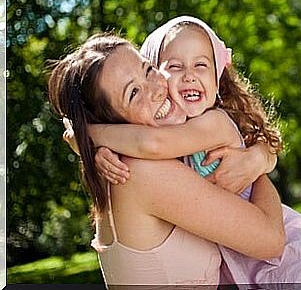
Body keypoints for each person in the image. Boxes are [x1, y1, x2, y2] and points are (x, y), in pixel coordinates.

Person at [88, 16, 301, 287]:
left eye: (201, 65)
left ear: (217, 81)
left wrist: (88, 134)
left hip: (274, 261)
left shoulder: (213, 123)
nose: (189, 76)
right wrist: (101, 149)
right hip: (240, 259)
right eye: (174, 67)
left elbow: (150, 144)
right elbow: (146, 142)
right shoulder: (164, 145)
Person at [48, 33, 286, 287]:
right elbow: (271, 240)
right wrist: (259, 169)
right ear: (111, 122)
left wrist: (260, 156)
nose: (156, 89)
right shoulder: (139, 172)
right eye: (133, 93)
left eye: (148, 70)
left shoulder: (149, 161)